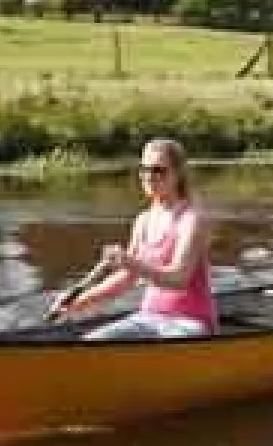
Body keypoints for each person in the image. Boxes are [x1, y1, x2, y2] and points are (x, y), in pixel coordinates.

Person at [53, 138, 217, 339]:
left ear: (177, 174)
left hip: (188, 322)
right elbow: (127, 278)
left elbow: (178, 279)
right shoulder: (143, 220)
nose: (149, 176)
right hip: (149, 317)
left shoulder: (191, 219)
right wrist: (80, 301)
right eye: (144, 169)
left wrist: (131, 263)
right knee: (90, 341)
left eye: (158, 170)